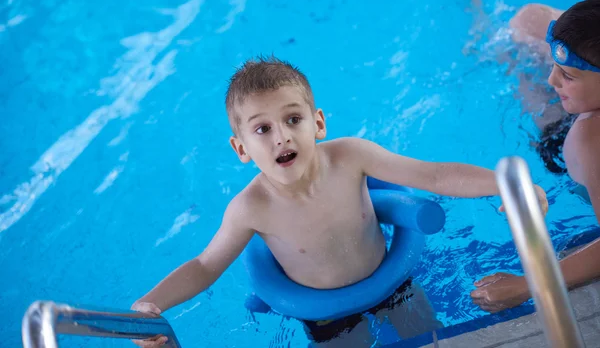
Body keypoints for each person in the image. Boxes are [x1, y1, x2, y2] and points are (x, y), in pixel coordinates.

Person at [130, 56, 548, 346]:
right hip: (325, 316)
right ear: (241, 150)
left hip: (393, 285)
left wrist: (508, 184)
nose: (282, 137)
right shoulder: (250, 208)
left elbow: (434, 174)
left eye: (293, 119)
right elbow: (204, 266)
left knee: (431, 338)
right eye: (262, 130)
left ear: (318, 123)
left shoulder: (352, 157)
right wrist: (153, 303)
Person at [471, 0, 600, 313]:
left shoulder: (589, 140)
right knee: (526, 22)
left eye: (566, 75)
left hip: (566, 142)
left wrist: (528, 284)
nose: (551, 78)